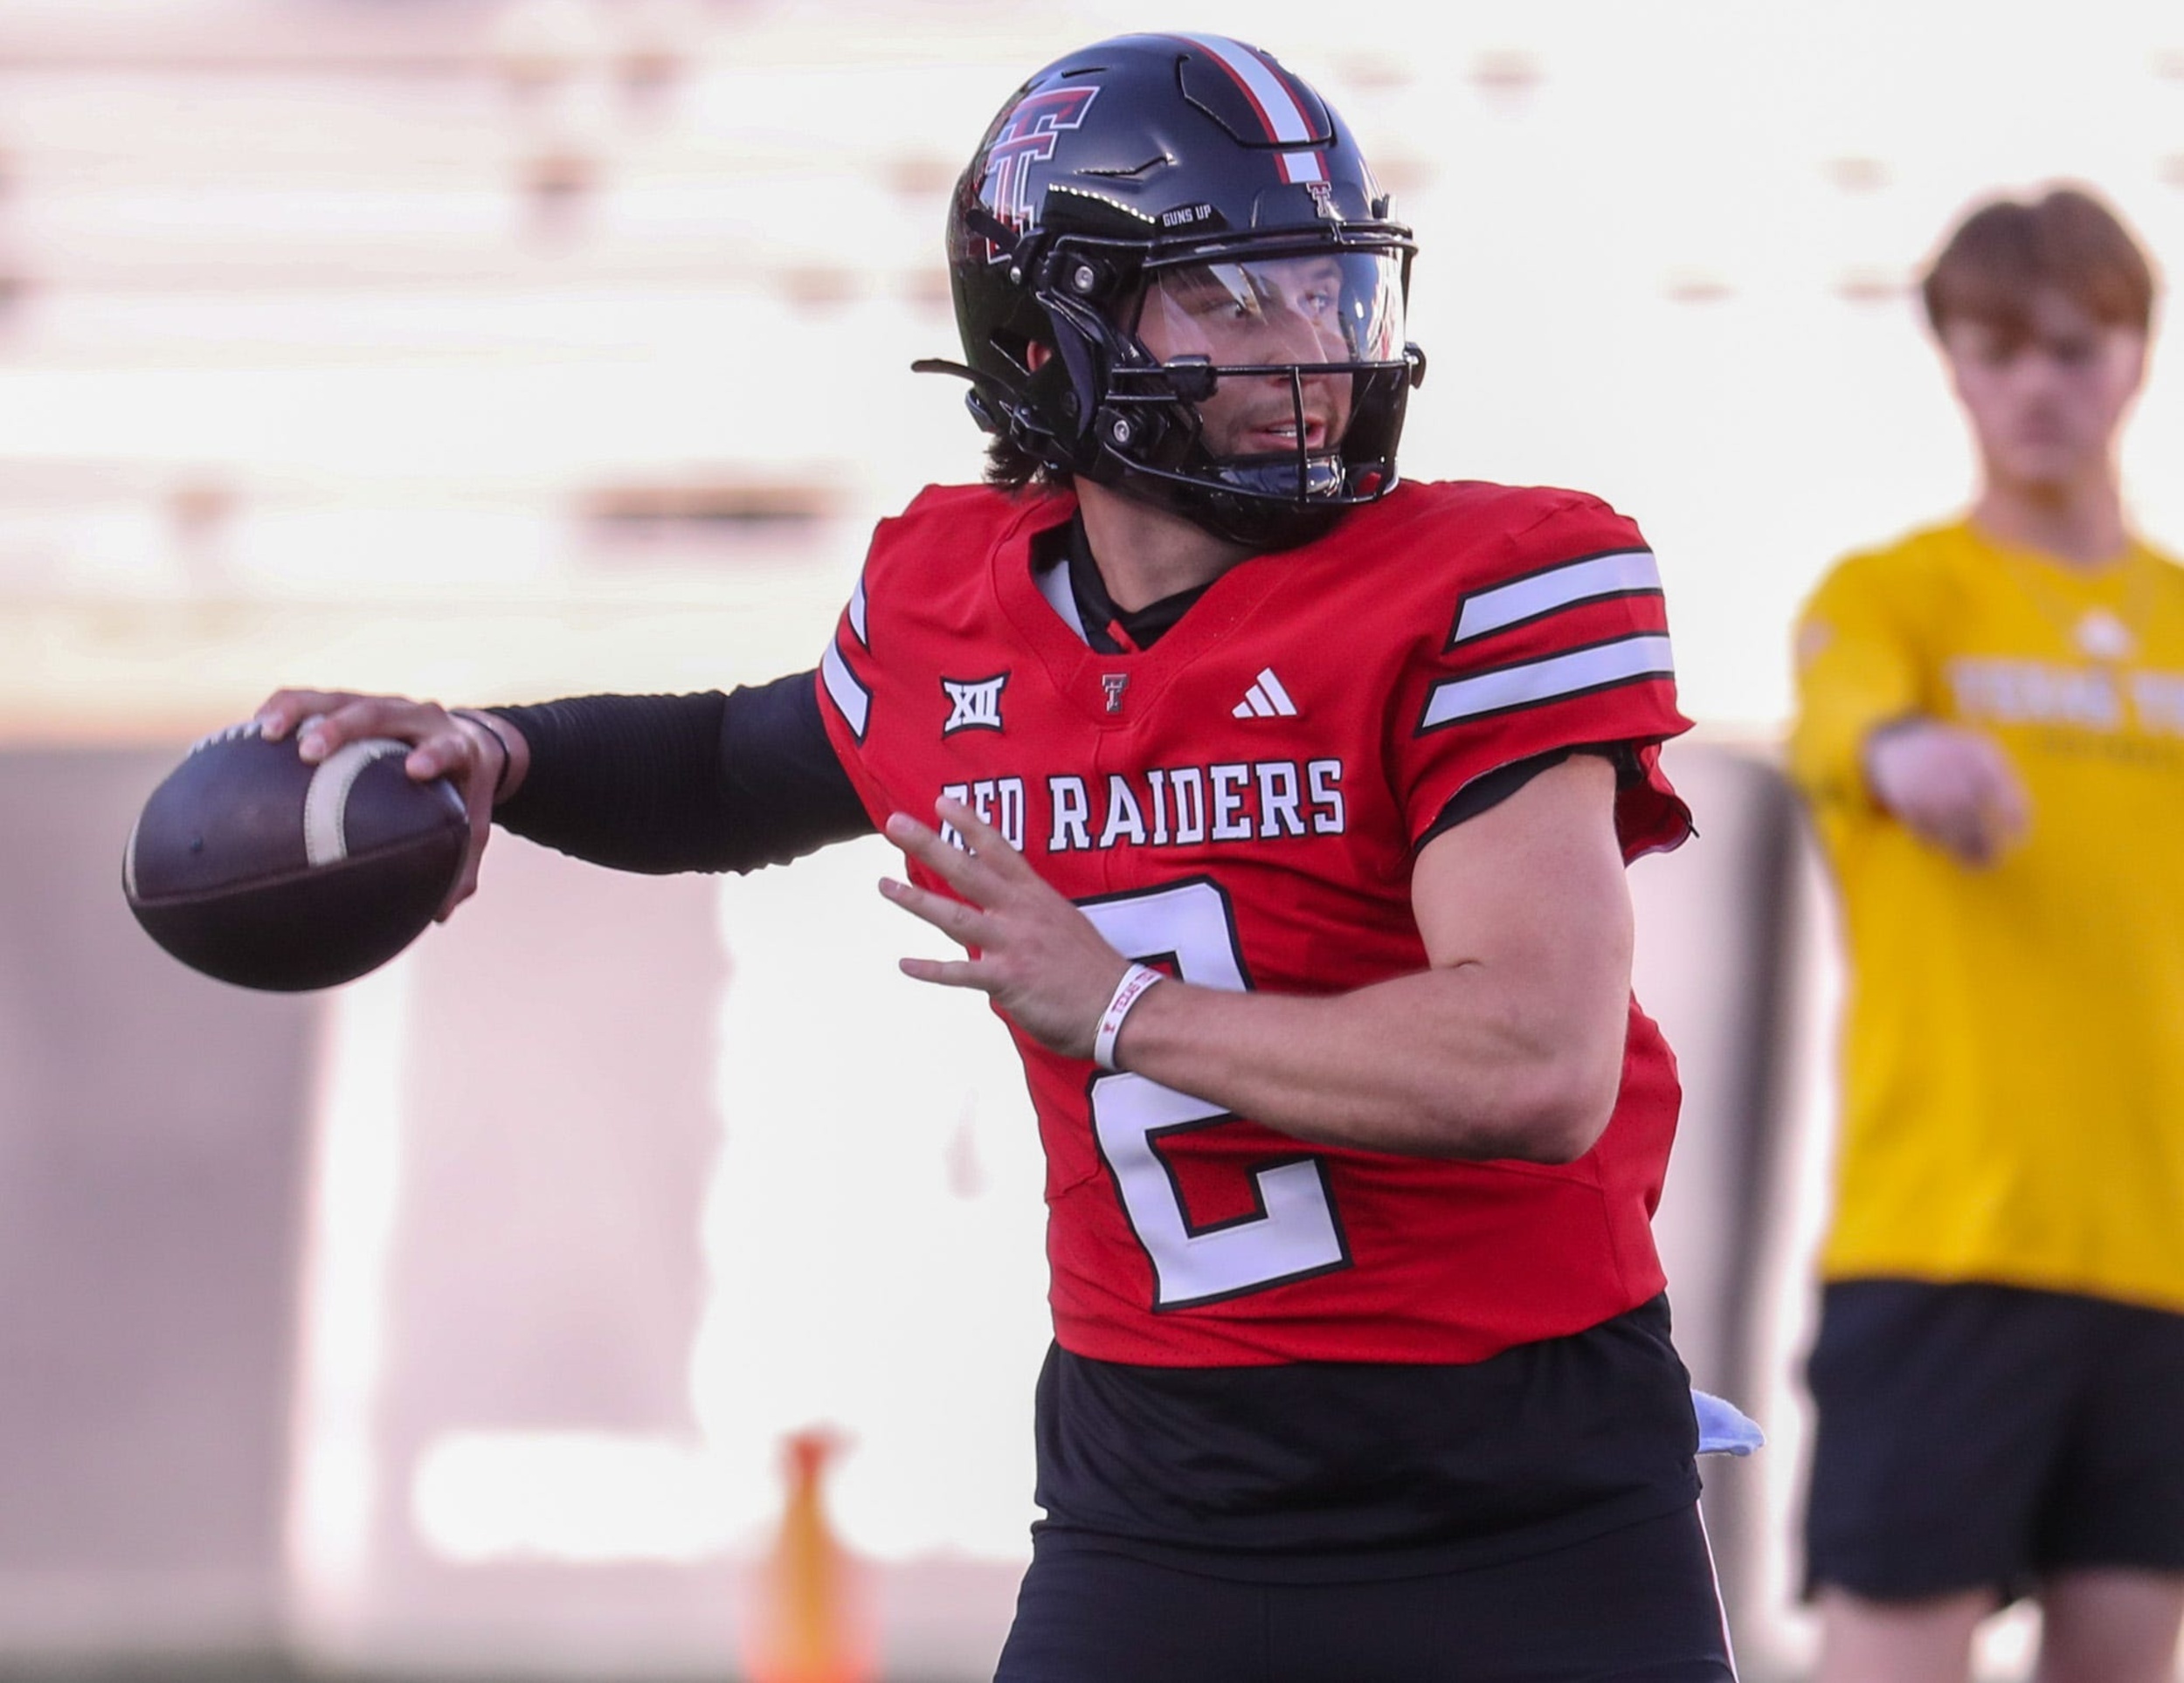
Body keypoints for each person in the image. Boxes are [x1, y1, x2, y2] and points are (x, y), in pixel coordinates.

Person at [258, 34, 1734, 1681]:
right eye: (1235, 302)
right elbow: (733, 770)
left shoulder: (1495, 582)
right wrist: (502, 752)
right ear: (1050, 337)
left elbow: (1534, 1060)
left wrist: (1122, 1009)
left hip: (1523, 1493)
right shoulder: (951, 603)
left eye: (1329, 292)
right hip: (1157, 1501)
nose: (1311, 351)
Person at [1790, 186, 2184, 1683]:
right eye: (1999, 350)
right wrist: (1911, 756)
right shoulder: (1897, 600)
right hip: (1943, 1246)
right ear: (1952, 364)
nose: (2038, 387)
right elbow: (1847, 720)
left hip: (2161, 1257)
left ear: (2137, 358)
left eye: (2074, 349)